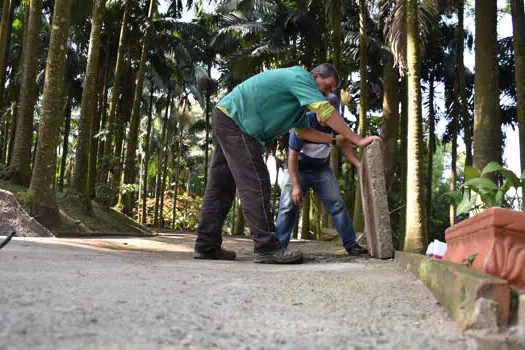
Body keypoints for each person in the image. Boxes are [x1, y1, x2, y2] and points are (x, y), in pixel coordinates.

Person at [193, 63, 381, 264]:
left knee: (221, 188)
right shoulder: (301, 77)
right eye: (326, 88)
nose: (326, 95)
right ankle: (266, 248)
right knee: (257, 183)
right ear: (316, 76)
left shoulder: (298, 105)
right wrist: (358, 139)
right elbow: (325, 111)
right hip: (238, 123)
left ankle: (207, 245)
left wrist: (334, 140)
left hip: (227, 117)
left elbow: (304, 132)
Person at [275, 93, 368, 255]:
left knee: (337, 204)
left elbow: (346, 148)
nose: (325, 117)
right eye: (322, 111)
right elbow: (292, 157)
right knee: (288, 207)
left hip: (321, 169)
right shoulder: (304, 122)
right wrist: (296, 186)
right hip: (298, 167)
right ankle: (278, 246)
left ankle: (351, 244)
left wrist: (360, 166)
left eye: (330, 113)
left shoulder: (338, 125)